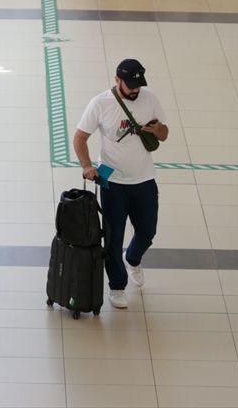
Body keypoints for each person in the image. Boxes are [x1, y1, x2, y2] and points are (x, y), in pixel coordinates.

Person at [73, 59, 170, 309]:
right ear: (117, 80)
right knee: (113, 237)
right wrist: (87, 166)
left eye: (138, 85)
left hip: (144, 178)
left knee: (147, 232)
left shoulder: (150, 99)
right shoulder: (100, 103)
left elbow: (164, 134)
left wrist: (157, 130)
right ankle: (117, 286)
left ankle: (133, 258)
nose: (135, 90)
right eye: (130, 85)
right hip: (112, 181)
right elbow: (80, 137)